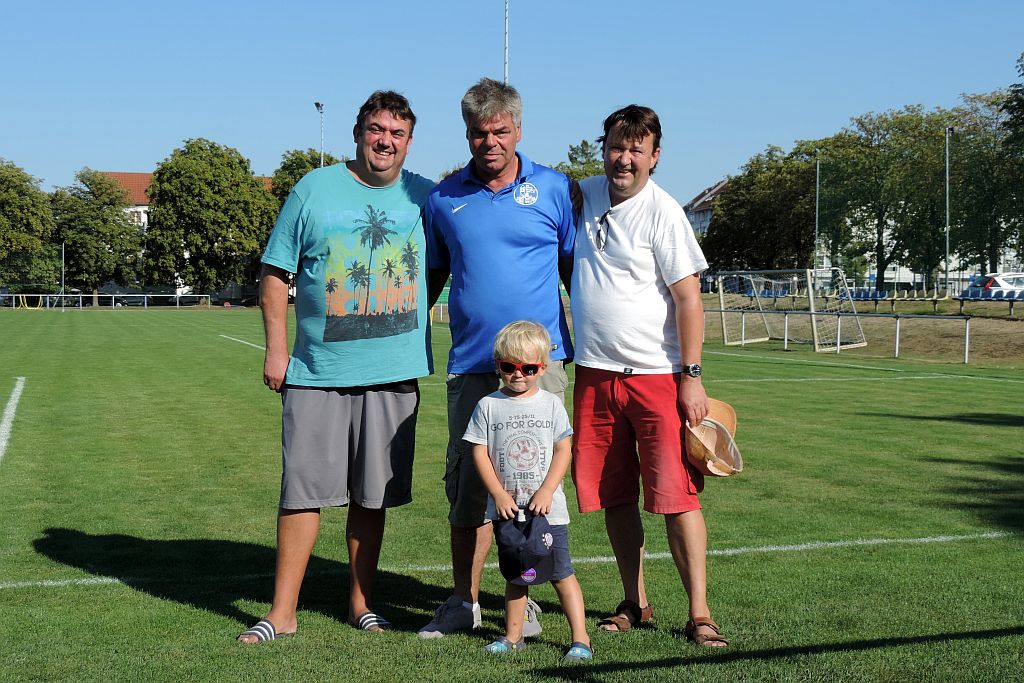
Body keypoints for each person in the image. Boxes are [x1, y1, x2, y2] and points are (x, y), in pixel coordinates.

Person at [238, 90, 434, 643]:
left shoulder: (425, 196)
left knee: (373, 496)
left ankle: (361, 604)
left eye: (397, 134)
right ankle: (282, 612)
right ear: (357, 133)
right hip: (317, 371)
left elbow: (443, 264)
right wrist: (277, 350)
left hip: (393, 372)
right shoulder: (313, 188)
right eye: (377, 129)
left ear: (409, 142)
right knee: (301, 492)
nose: (385, 141)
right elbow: (275, 272)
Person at [419, 77, 576, 638]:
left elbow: (573, 272)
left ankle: (523, 599)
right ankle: (462, 601)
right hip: (472, 366)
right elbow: (432, 277)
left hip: (540, 366)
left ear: (519, 129)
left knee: (535, 484)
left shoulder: (554, 189)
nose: (490, 142)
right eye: (478, 133)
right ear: (467, 133)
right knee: (469, 490)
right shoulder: (444, 198)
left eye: (500, 131)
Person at [569, 105, 729, 647]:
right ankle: (634, 602)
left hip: (657, 376)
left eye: (637, 150)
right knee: (614, 495)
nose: (624, 158)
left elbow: (689, 299)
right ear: (604, 148)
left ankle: (700, 613)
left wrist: (692, 376)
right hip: (594, 374)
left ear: (655, 156)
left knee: (676, 496)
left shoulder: (665, 212)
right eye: (617, 146)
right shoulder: (583, 194)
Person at [464, 321, 592, 660]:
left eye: (528, 368)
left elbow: (563, 449)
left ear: (542, 368)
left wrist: (548, 490)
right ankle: (512, 637)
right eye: (509, 367)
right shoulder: (488, 406)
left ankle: (581, 640)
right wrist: (498, 494)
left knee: (561, 573)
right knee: (517, 576)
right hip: (509, 512)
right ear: (498, 365)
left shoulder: (550, 404)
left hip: (547, 514)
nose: (518, 375)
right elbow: (479, 452)